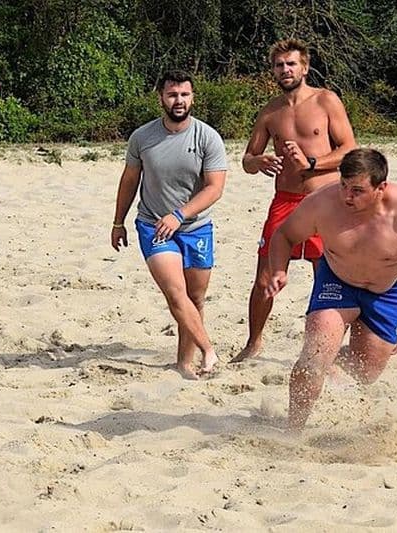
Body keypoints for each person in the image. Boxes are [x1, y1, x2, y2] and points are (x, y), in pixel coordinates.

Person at [266, 148, 397, 432]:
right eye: (343, 185)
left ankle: (332, 360)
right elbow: (284, 235)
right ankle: (292, 432)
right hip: (337, 281)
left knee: (367, 371)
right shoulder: (323, 203)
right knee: (314, 357)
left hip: (389, 290)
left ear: (381, 188)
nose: (346, 196)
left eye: (357, 190)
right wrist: (279, 269)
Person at [232, 39, 356, 362]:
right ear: (273, 70)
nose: (285, 70)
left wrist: (312, 164)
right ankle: (253, 342)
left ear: (305, 67)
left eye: (291, 64)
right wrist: (257, 163)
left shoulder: (326, 101)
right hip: (284, 201)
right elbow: (247, 158)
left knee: (326, 278)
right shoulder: (270, 111)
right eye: (279, 65)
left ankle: (322, 349)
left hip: (324, 200)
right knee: (264, 279)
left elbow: (350, 151)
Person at [111, 70, 227, 380]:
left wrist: (180, 214)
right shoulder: (142, 137)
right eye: (172, 94)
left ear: (193, 97)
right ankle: (209, 350)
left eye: (184, 95)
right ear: (161, 98)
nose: (179, 100)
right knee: (176, 295)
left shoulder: (207, 137)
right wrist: (117, 221)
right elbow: (130, 180)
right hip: (153, 225)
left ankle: (184, 362)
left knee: (195, 299)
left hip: (196, 227)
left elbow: (214, 188)